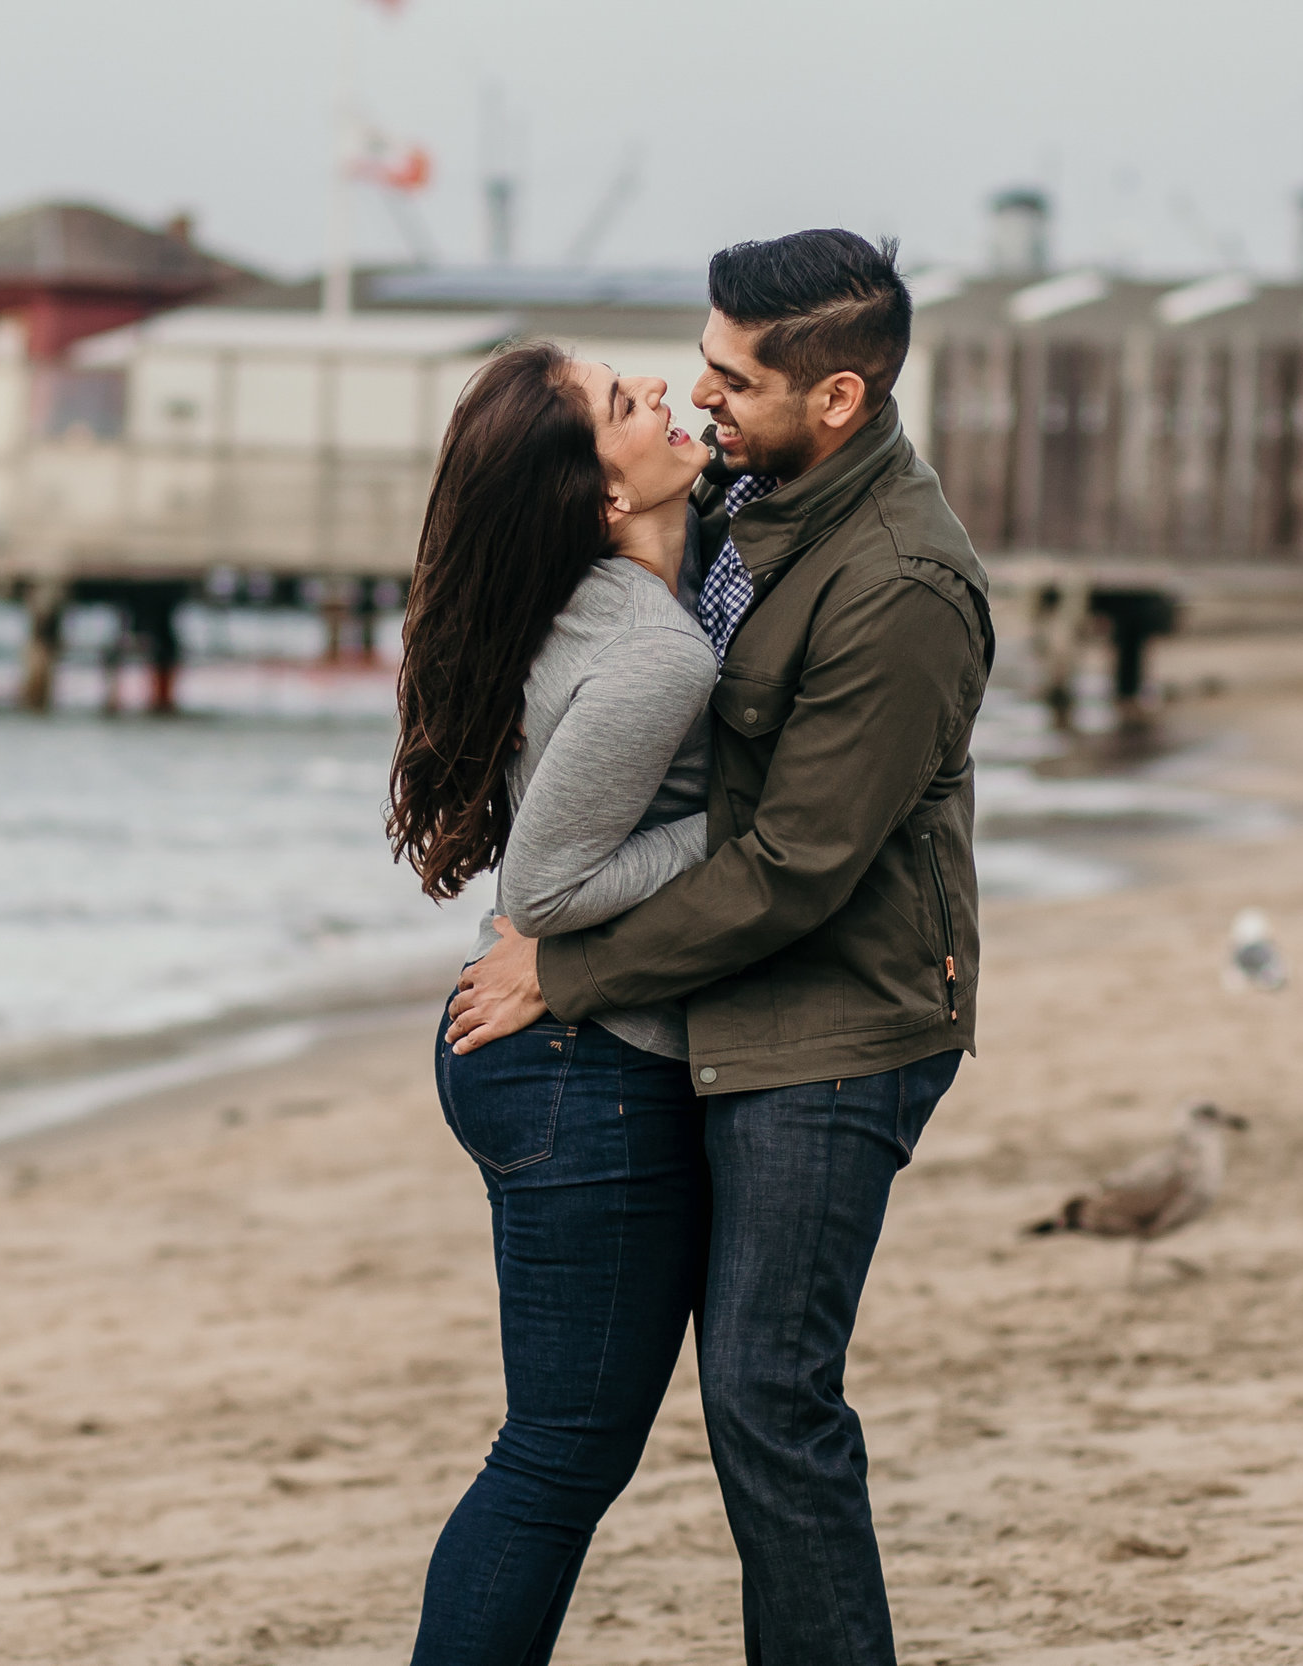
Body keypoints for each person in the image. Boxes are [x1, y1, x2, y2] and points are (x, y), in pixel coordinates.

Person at [444, 230, 994, 1666]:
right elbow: (613, 799)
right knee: (613, 1435)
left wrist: (567, 970)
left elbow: (796, 862)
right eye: (691, 366)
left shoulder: (899, 585)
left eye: (730, 378)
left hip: (836, 1015)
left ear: (839, 401)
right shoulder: (751, 495)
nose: (697, 395)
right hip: (711, 1011)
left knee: (764, 1396)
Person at [387, 341, 737, 1664]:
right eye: (619, 401)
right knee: (554, 1463)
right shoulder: (653, 649)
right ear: (600, 496)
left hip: (541, 1061)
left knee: (557, 1457)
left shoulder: (615, 595)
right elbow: (548, 884)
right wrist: (734, 832)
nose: (657, 388)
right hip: (573, 1067)